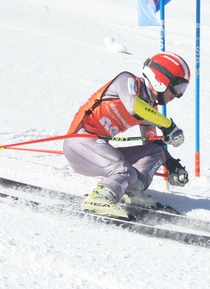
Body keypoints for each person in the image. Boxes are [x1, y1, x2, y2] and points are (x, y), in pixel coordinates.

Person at [63, 52, 191, 219]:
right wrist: (168, 125)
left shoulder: (151, 110)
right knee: (125, 171)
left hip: (98, 149)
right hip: (79, 143)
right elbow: (134, 106)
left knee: (155, 152)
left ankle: (130, 192)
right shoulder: (126, 81)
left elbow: (151, 143)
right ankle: (99, 198)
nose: (178, 95)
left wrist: (171, 163)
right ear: (160, 79)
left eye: (183, 90)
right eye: (178, 87)